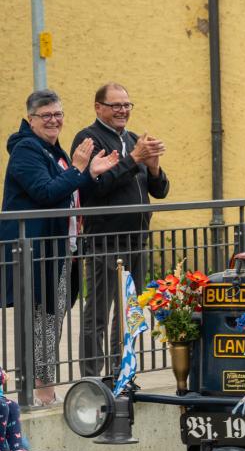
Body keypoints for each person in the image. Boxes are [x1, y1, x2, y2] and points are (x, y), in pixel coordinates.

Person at [2, 90, 118, 405]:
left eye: (58, 114)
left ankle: (44, 389)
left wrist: (89, 173)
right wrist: (78, 168)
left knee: (53, 319)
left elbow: (67, 189)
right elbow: (45, 192)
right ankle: (41, 393)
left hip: (59, 251)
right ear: (31, 119)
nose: (54, 121)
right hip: (35, 253)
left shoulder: (53, 151)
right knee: (43, 321)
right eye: (46, 115)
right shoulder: (27, 150)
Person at [72, 82, 170, 377]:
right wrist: (133, 159)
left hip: (137, 240)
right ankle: (92, 375)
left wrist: (153, 167)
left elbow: (160, 190)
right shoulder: (89, 138)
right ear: (98, 107)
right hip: (105, 240)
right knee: (98, 313)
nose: (123, 110)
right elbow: (94, 187)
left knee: (130, 312)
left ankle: (121, 368)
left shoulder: (132, 138)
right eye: (116, 105)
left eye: (127, 105)